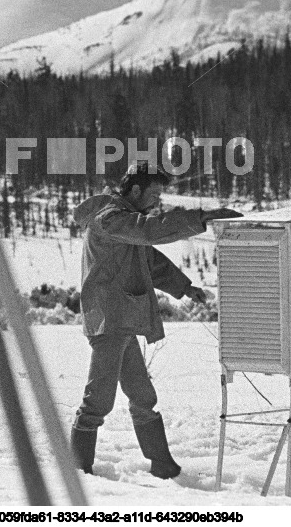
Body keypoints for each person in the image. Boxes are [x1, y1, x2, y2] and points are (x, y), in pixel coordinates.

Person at [70, 163, 241, 478]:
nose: (156, 202)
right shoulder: (111, 218)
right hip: (109, 320)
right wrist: (200, 218)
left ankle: (162, 463)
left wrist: (184, 287)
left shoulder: (124, 222)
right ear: (135, 191)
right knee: (99, 400)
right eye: (153, 194)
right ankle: (77, 469)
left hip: (121, 320)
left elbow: (149, 259)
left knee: (143, 396)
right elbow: (149, 230)